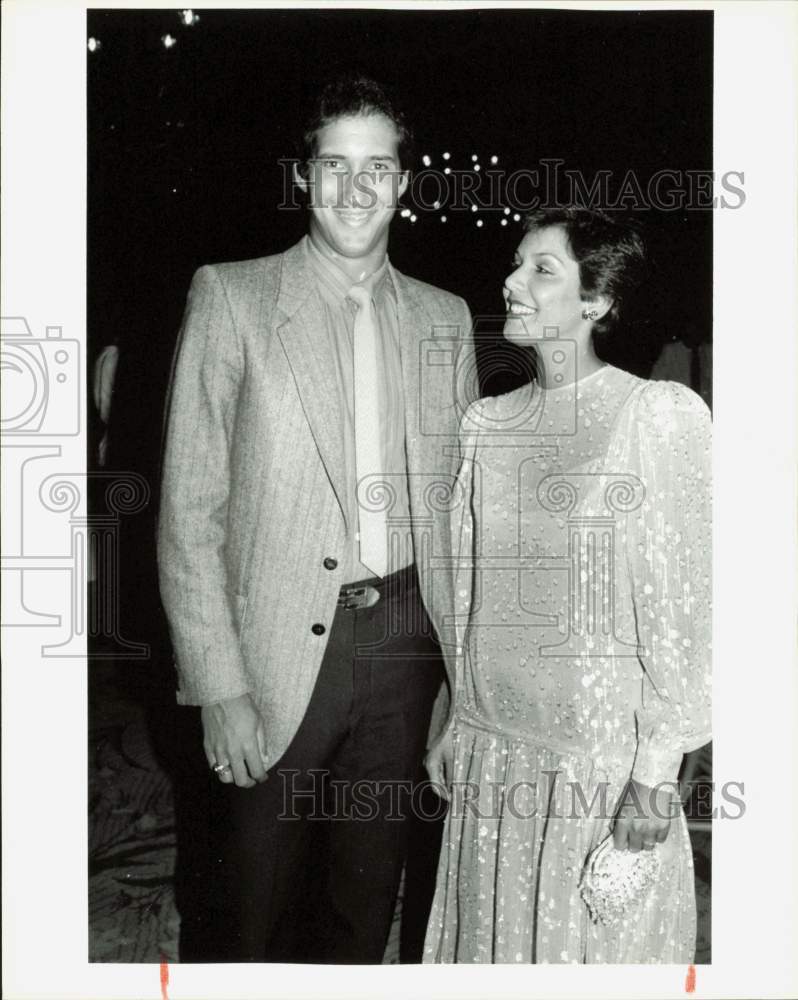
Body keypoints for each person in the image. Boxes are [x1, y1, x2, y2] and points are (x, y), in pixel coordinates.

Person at [157, 74, 475, 963]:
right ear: (305, 176)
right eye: (335, 165)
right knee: (246, 908)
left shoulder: (446, 320)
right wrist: (218, 687)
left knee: (363, 904)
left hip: (407, 653)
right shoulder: (232, 297)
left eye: (378, 167)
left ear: (406, 182)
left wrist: (459, 686)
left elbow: (456, 520)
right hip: (273, 657)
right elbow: (188, 509)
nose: (356, 188)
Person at [424, 206, 711, 963]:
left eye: (540, 268)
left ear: (597, 300)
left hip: (596, 765)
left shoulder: (655, 417)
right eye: (516, 263)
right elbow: (470, 597)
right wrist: (455, 712)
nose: (512, 281)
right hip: (494, 752)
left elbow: (689, 609)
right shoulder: (483, 423)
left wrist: (656, 773)